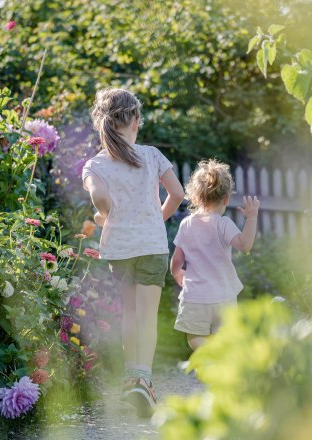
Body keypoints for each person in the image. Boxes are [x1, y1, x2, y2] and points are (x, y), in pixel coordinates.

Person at [82, 88, 184, 418]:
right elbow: (178, 193)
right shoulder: (152, 155)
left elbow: (100, 200)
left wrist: (103, 216)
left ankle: (130, 380)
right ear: (136, 121)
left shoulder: (95, 164)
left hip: (120, 249)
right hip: (151, 246)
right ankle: (145, 380)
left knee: (128, 313)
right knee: (147, 315)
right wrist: (157, 217)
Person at [170, 159, 260, 351]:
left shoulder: (186, 224)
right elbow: (245, 246)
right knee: (226, 338)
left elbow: (177, 260)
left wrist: (178, 275)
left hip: (195, 296)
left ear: (194, 197)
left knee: (195, 336)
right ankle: (220, 365)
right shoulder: (223, 224)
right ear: (226, 198)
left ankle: (206, 356)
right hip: (223, 295)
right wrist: (251, 218)